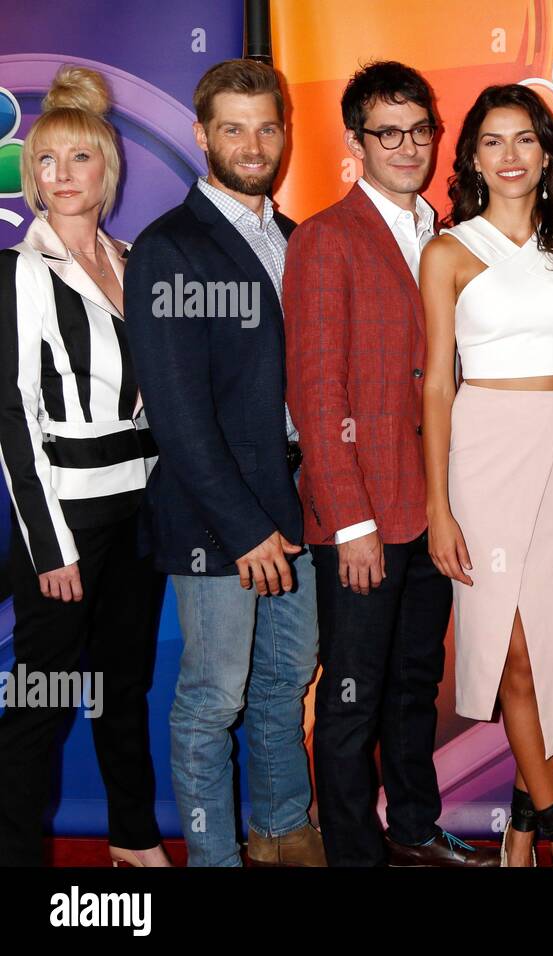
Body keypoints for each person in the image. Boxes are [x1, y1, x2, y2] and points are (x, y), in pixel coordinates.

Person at [283, 61, 494, 868]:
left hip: (436, 508)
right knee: (350, 700)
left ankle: (410, 827)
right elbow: (314, 388)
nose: (407, 147)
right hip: (364, 516)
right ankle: (353, 852)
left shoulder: (446, 235)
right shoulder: (325, 238)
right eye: (387, 133)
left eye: (419, 131)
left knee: (414, 688)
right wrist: (351, 523)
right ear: (355, 143)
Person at [125, 59, 323, 867]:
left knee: (288, 679)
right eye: (233, 128)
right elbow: (177, 417)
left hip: (299, 500)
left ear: (284, 133)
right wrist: (245, 530)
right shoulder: (170, 247)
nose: (253, 143)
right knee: (214, 698)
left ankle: (284, 831)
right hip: (219, 520)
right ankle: (214, 857)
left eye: (266, 126)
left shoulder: (298, 238)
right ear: (203, 135)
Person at [421, 84, 553, 868]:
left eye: (525, 140)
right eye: (493, 142)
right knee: (511, 652)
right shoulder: (448, 251)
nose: (510, 156)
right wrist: (439, 505)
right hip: (483, 454)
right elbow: (438, 383)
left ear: (547, 153)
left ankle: (524, 820)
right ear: (472, 156)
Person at [0, 66, 169, 868]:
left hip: (139, 514)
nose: (60, 176)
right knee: (41, 700)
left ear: (109, 170)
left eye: (79, 160)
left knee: (123, 686)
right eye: (45, 161)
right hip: (65, 521)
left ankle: (133, 838)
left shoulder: (133, 259)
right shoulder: (20, 271)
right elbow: (12, 417)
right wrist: (49, 546)